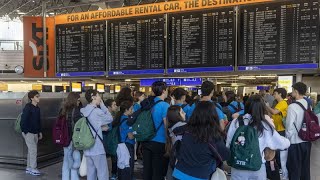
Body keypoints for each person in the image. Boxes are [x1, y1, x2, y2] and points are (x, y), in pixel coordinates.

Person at [226, 95, 290, 180]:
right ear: (262, 108)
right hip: (256, 167)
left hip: (237, 167)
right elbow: (282, 144)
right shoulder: (264, 125)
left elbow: (228, 144)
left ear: (247, 106)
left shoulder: (236, 122)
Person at [172, 101, 230, 180]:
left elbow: (175, 130)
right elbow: (225, 155)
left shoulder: (187, 129)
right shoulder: (213, 137)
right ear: (214, 116)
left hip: (178, 173)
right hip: (200, 176)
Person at [80, 90, 113, 180]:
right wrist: (102, 105)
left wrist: (100, 129)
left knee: (91, 175)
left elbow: (90, 127)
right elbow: (110, 118)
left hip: (87, 148)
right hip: (97, 148)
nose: (100, 98)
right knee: (102, 174)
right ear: (93, 97)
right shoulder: (97, 112)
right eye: (98, 96)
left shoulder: (83, 111)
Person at [142, 81, 170, 180]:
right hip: (159, 142)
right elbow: (167, 125)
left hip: (145, 140)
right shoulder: (165, 105)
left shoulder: (147, 103)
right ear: (163, 91)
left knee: (147, 170)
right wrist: (168, 141)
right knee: (158, 171)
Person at [286, 82, 312, 180]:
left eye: (292, 91)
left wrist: (288, 139)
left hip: (295, 142)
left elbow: (289, 126)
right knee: (305, 168)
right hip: (307, 141)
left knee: (294, 168)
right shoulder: (307, 104)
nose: (292, 93)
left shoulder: (292, 107)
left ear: (296, 92)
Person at [265, 88, 289, 180]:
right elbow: (272, 115)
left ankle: (280, 169)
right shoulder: (278, 103)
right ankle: (278, 167)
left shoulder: (283, 103)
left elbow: (274, 112)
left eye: (275, 94)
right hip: (277, 129)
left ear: (280, 94)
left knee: (279, 151)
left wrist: (266, 105)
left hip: (281, 129)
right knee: (276, 150)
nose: (274, 95)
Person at [61, 92, 82, 180]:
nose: (79, 102)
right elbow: (79, 126)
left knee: (66, 161)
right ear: (74, 100)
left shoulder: (63, 109)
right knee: (75, 161)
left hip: (65, 138)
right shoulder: (76, 110)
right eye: (78, 100)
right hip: (73, 139)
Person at [21, 90, 43, 176]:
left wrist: (39, 131)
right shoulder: (28, 107)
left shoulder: (37, 108)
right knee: (33, 150)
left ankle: (29, 167)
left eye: (38, 96)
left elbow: (38, 121)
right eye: (37, 97)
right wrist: (25, 131)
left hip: (35, 133)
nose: (39, 98)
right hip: (28, 132)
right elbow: (23, 120)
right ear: (32, 98)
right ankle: (33, 168)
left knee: (31, 151)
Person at [114, 100, 135, 180]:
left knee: (121, 166)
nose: (132, 111)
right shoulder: (127, 121)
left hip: (120, 146)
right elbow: (130, 136)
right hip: (127, 146)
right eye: (131, 109)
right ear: (126, 110)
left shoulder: (119, 118)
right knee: (127, 167)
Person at [165, 105, 187, 180]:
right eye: (182, 112)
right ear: (177, 115)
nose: (185, 113)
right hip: (181, 161)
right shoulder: (183, 127)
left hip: (174, 158)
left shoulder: (171, 127)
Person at [104, 99, 118, 180]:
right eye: (114, 105)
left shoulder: (113, 115)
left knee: (113, 157)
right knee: (113, 157)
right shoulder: (106, 116)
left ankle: (113, 174)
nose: (116, 106)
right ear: (109, 107)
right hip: (108, 140)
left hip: (110, 140)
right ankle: (113, 174)